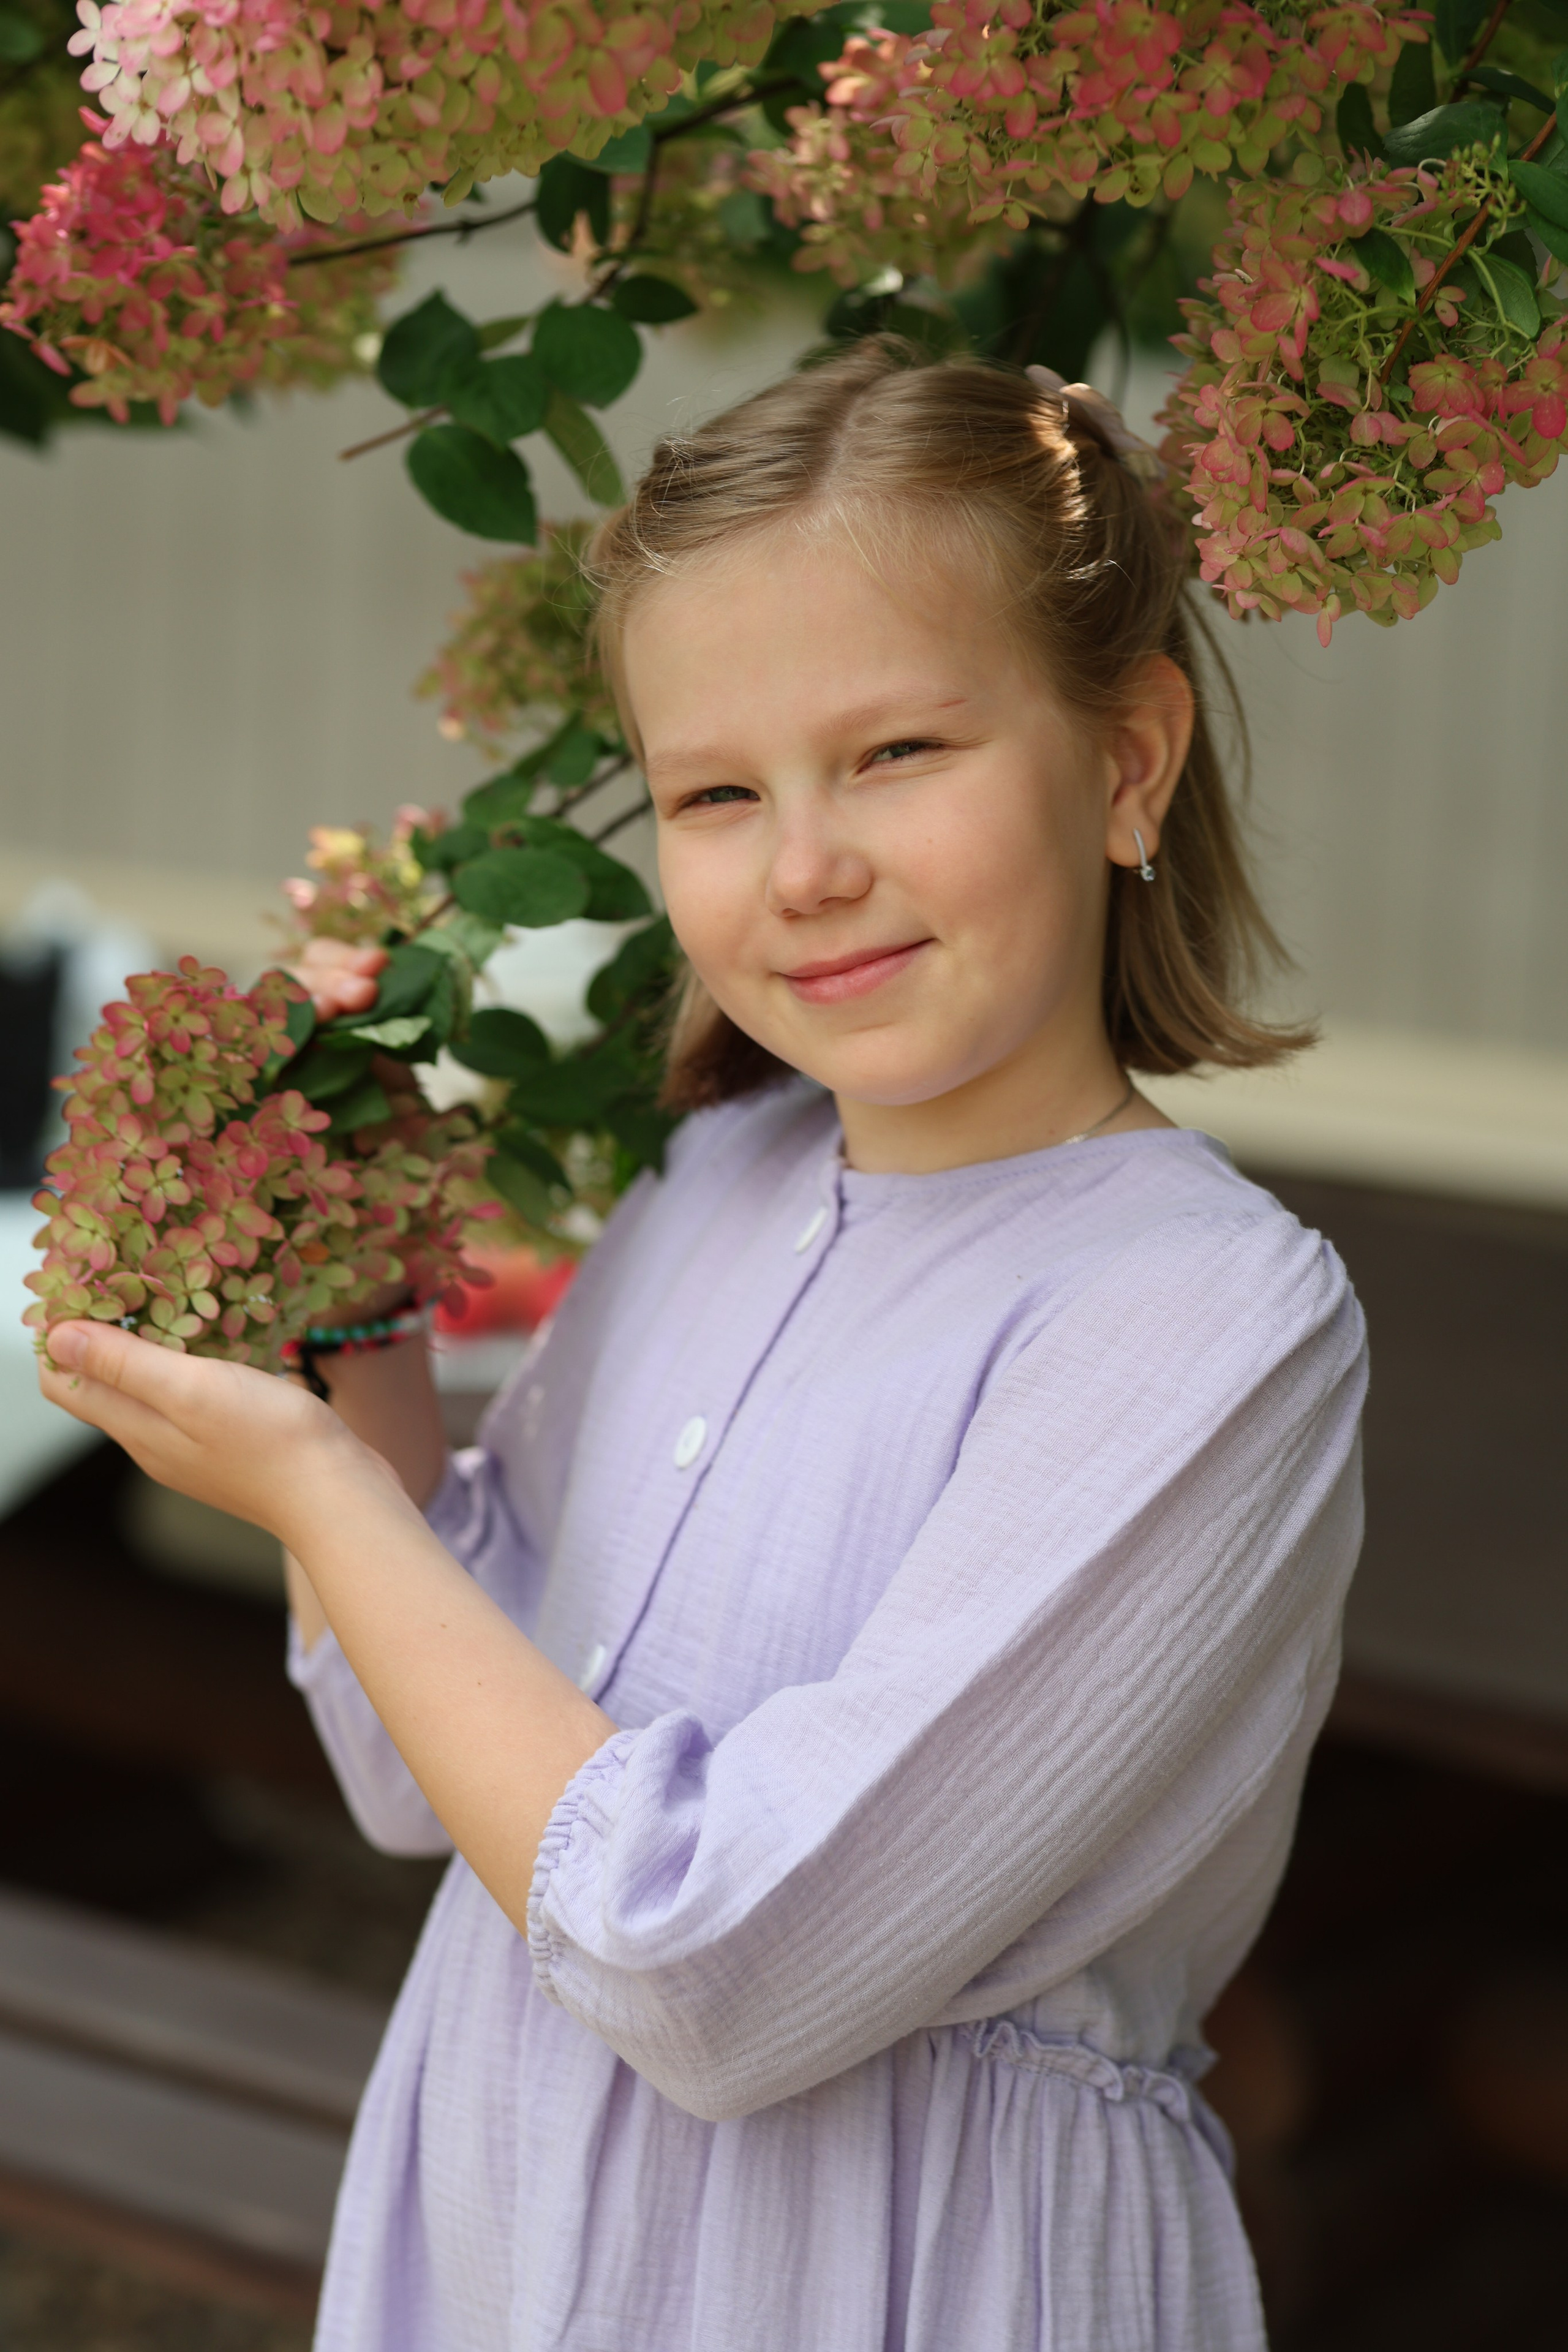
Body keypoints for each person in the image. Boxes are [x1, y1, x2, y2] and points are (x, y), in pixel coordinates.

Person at [40, 343, 1367, 2351]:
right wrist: (353, 1291)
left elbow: (720, 1978)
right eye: (718, 793)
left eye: (899, 752)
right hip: (502, 2220)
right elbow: (434, 1774)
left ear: (1127, 761)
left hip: (897, 2277)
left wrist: (305, 1483)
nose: (805, 864)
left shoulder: (1203, 1320)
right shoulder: (718, 1183)